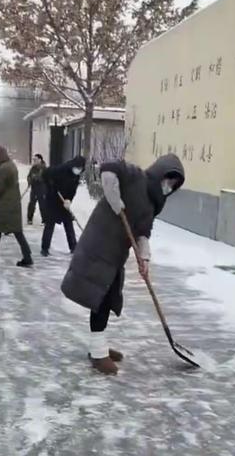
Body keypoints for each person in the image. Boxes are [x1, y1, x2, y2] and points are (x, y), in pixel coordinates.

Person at [61, 154, 185, 375]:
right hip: (98, 245)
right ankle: (99, 354)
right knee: (99, 298)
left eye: (174, 184)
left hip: (115, 254)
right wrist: (115, 200)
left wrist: (144, 258)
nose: (169, 186)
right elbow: (109, 169)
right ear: (159, 172)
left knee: (108, 299)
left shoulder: (155, 204)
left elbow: (143, 233)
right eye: (168, 179)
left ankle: (97, 346)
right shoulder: (136, 176)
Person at [0, 145, 33, 267]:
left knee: (5, 230)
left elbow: (0, 188)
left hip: (6, 204)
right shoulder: (10, 165)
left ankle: (26, 257)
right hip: (12, 202)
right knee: (9, 231)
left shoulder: (4, 168)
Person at [40, 155, 86, 256]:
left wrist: (69, 200)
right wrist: (50, 184)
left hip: (64, 201)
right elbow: (45, 173)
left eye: (81, 168)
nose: (78, 170)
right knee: (50, 224)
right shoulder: (62, 169)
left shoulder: (76, 176)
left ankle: (73, 247)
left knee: (68, 223)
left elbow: (72, 191)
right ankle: (44, 248)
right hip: (53, 200)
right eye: (77, 167)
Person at [27, 154, 47, 225]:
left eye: (35, 159)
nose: (34, 161)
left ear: (40, 160)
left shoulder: (44, 168)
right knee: (31, 204)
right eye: (33, 160)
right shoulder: (33, 168)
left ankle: (45, 220)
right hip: (34, 189)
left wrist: (35, 177)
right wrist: (29, 180)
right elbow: (29, 176)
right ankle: (29, 219)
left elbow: (42, 178)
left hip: (42, 189)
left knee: (43, 205)